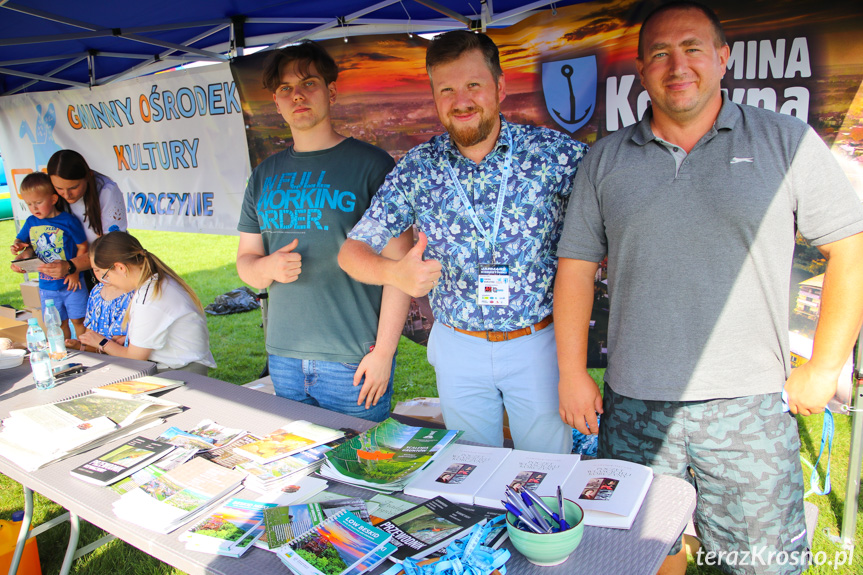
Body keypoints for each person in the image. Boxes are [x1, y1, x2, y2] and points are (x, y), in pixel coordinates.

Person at [553, 2, 863, 574]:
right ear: (642, 70)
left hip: (749, 407)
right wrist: (572, 373)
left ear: (722, 58)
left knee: (761, 563)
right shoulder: (606, 160)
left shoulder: (784, 140)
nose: (678, 65)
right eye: (660, 54)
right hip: (635, 401)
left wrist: (824, 366)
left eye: (693, 48)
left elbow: (851, 246)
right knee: (641, 552)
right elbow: (575, 267)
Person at [339, 31, 588, 452]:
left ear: (500, 88)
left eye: (473, 85)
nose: (462, 100)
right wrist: (394, 272)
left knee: (547, 468)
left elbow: (613, 208)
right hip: (458, 346)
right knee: (470, 469)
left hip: (537, 342)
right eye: (447, 89)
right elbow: (351, 253)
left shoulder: (553, 155)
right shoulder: (418, 168)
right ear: (435, 98)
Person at [235, 41, 412, 422]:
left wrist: (384, 353)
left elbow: (400, 267)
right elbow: (245, 264)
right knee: (301, 471)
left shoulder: (372, 165)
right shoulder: (263, 175)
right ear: (276, 102)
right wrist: (266, 267)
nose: (297, 95)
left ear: (330, 92)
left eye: (308, 83)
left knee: (363, 473)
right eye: (285, 89)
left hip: (354, 359)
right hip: (283, 356)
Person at [78, 231, 216, 374]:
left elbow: (135, 358)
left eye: (106, 276)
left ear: (120, 268)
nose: (107, 282)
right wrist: (130, 339)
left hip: (180, 370)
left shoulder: (150, 297)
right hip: (176, 365)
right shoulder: (155, 282)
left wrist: (102, 342)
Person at [10, 172, 87, 339]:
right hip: (47, 286)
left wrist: (74, 271)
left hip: (71, 283)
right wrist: (17, 247)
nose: (34, 208)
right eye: (29, 204)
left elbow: (83, 246)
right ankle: (66, 351)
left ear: (53, 199)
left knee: (78, 320)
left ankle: (86, 350)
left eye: (38, 202)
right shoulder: (31, 221)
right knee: (58, 323)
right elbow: (21, 240)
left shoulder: (68, 221)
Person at [43, 149, 127, 285]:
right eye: (59, 188)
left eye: (73, 187)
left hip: (106, 267)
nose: (66, 194)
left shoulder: (107, 190)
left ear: (88, 176)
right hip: (74, 267)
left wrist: (71, 266)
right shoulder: (52, 193)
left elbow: (111, 245)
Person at [67, 274, 133, 353]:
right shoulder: (96, 290)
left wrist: (81, 347)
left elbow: (116, 345)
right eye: (97, 270)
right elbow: (89, 333)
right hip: (96, 351)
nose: (102, 275)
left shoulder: (129, 296)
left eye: (106, 270)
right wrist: (81, 344)